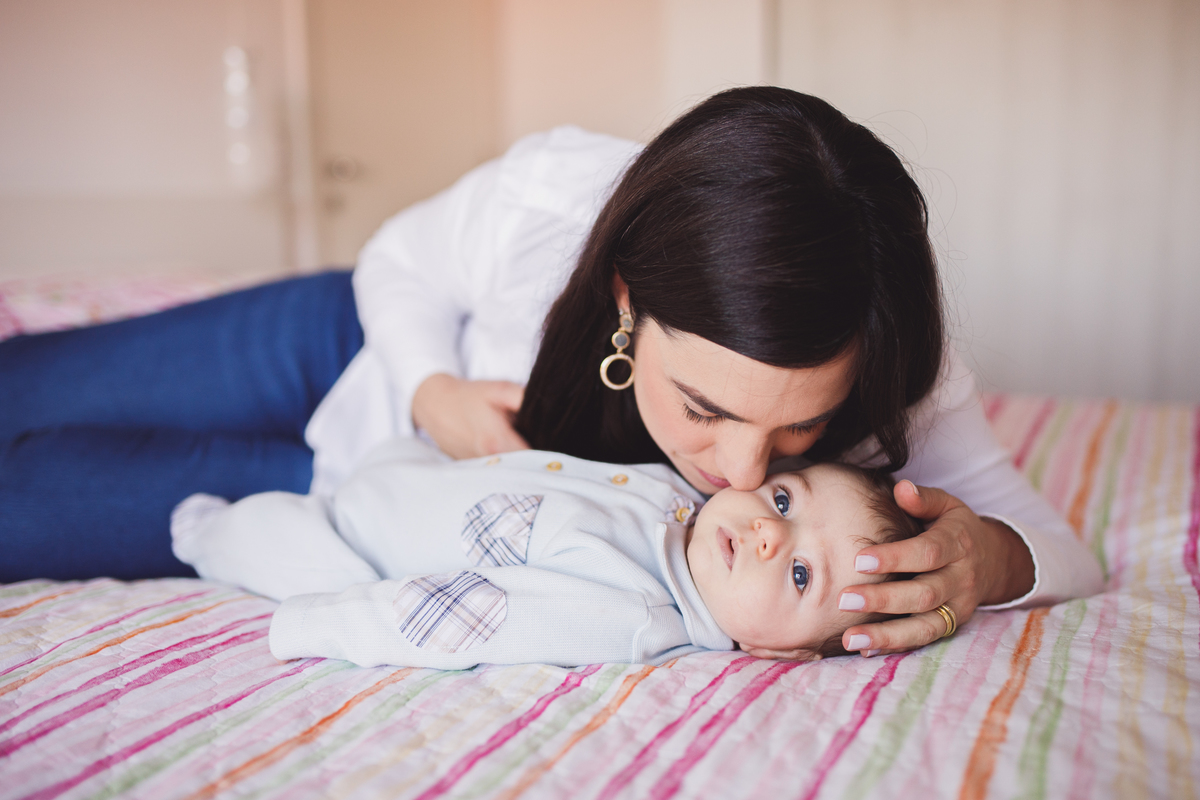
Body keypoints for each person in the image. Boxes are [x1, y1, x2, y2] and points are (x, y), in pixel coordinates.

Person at [0, 87, 1104, 659]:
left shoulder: (893, 349)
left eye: (796, 437)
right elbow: (401, 261)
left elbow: (1067, 553)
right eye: (707, 407)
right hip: (348, 348)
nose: (736, 469)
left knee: (26, 505)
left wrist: (986, 555)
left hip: (337, 498)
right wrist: (431, 388)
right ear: (629, 297)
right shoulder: (562, 197)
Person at [170, 438, 925, 667]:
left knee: (246, 531)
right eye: (786, 501)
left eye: (799, 573)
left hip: (353, 548)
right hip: (410, 473)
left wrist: (314, 625)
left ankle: (202, 531)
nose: (769, 531)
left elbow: (466, 617)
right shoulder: (682, 502)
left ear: (777, 653)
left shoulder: (632, 613)